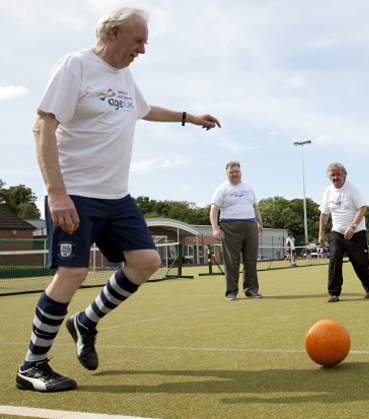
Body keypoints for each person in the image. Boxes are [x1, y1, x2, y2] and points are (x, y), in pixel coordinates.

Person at [17, 8, 221, 393]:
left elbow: (142, 110)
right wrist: (57, 193)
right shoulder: (75, 66)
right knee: (73, 274)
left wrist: (189, 117)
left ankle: (85, 322)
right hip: (75, 193)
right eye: (138, 41)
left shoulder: (125, 76)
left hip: (117, 196)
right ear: (113, 32)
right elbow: (43, 124)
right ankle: (32, 365)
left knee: (146, 261)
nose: (142, 50)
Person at [318, 162, 369, 302]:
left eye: (338, 174)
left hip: (356, 232)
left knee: (360, 264)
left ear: (344, 175)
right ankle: (333, 293)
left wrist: (353, 226)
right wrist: (321, 233)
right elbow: (324, 214)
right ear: (329, 177)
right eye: (332, 175)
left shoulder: (352, 188)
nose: (335, 177)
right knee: (334, 259)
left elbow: (362, 208)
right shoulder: (328, 192)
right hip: (337, 232)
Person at [210, 161, 264, 300]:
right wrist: (215, 228)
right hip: (230, 227)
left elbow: (255, 206)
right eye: (231, 172)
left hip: (250, 226)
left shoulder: (248, 187)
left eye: (237, 171)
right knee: (231, 261)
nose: (234, 174)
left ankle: (251, 290)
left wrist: (259, 222)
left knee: (251, 260)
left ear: (241, 172)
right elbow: (214, 209)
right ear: (226, 173)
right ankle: (231, 292)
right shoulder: (222, 189)